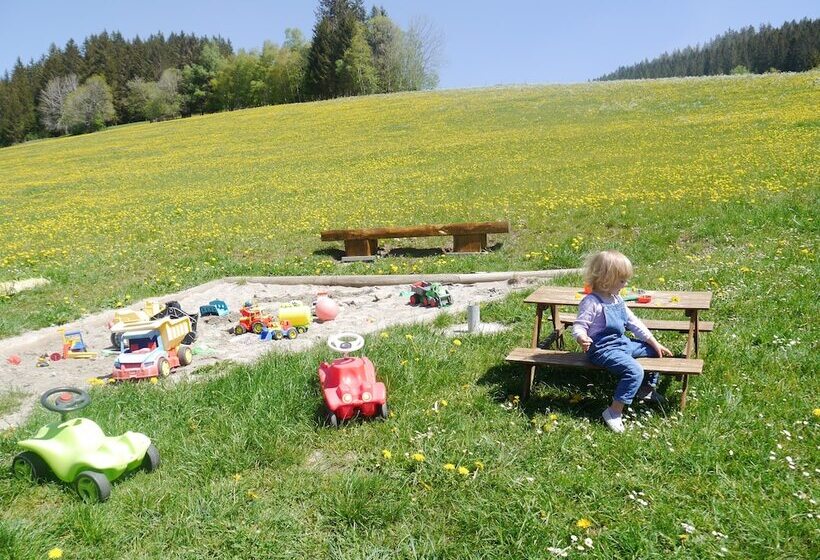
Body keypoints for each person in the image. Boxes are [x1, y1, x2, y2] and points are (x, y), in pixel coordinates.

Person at [573, 250, 672, 433]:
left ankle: (645, 389)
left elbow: (634, 322)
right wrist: (582, 337)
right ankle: (614, 411)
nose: (625, 284)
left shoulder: (616, 299)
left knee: (653, 352)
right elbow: (579, 325)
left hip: (620, 343)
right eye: (621, 280)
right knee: (634, 370)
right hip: (602, 349)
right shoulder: (591, 302)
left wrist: (653, 341)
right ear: (605, 280)